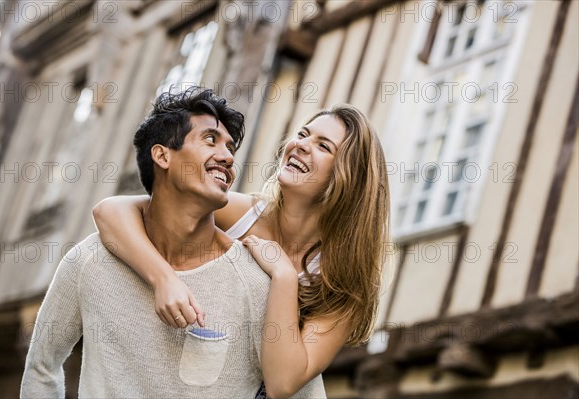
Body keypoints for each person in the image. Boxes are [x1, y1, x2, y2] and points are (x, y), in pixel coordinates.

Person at [93, 102, 390, 398]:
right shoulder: (241, 214)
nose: (300, 145)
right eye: (303, 134)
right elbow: (110, 212)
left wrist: (283, 275)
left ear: (348, 177)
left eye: (323, 146)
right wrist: (162, 280)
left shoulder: (343, 282)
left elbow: (282, 383)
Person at [21, 87, 277, 398]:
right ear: (162, 155)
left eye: (231, 149)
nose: (227, 157)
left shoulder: (254, 282)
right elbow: (41, 367)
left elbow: (302, 392)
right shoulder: (89, 259)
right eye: (210, 140)